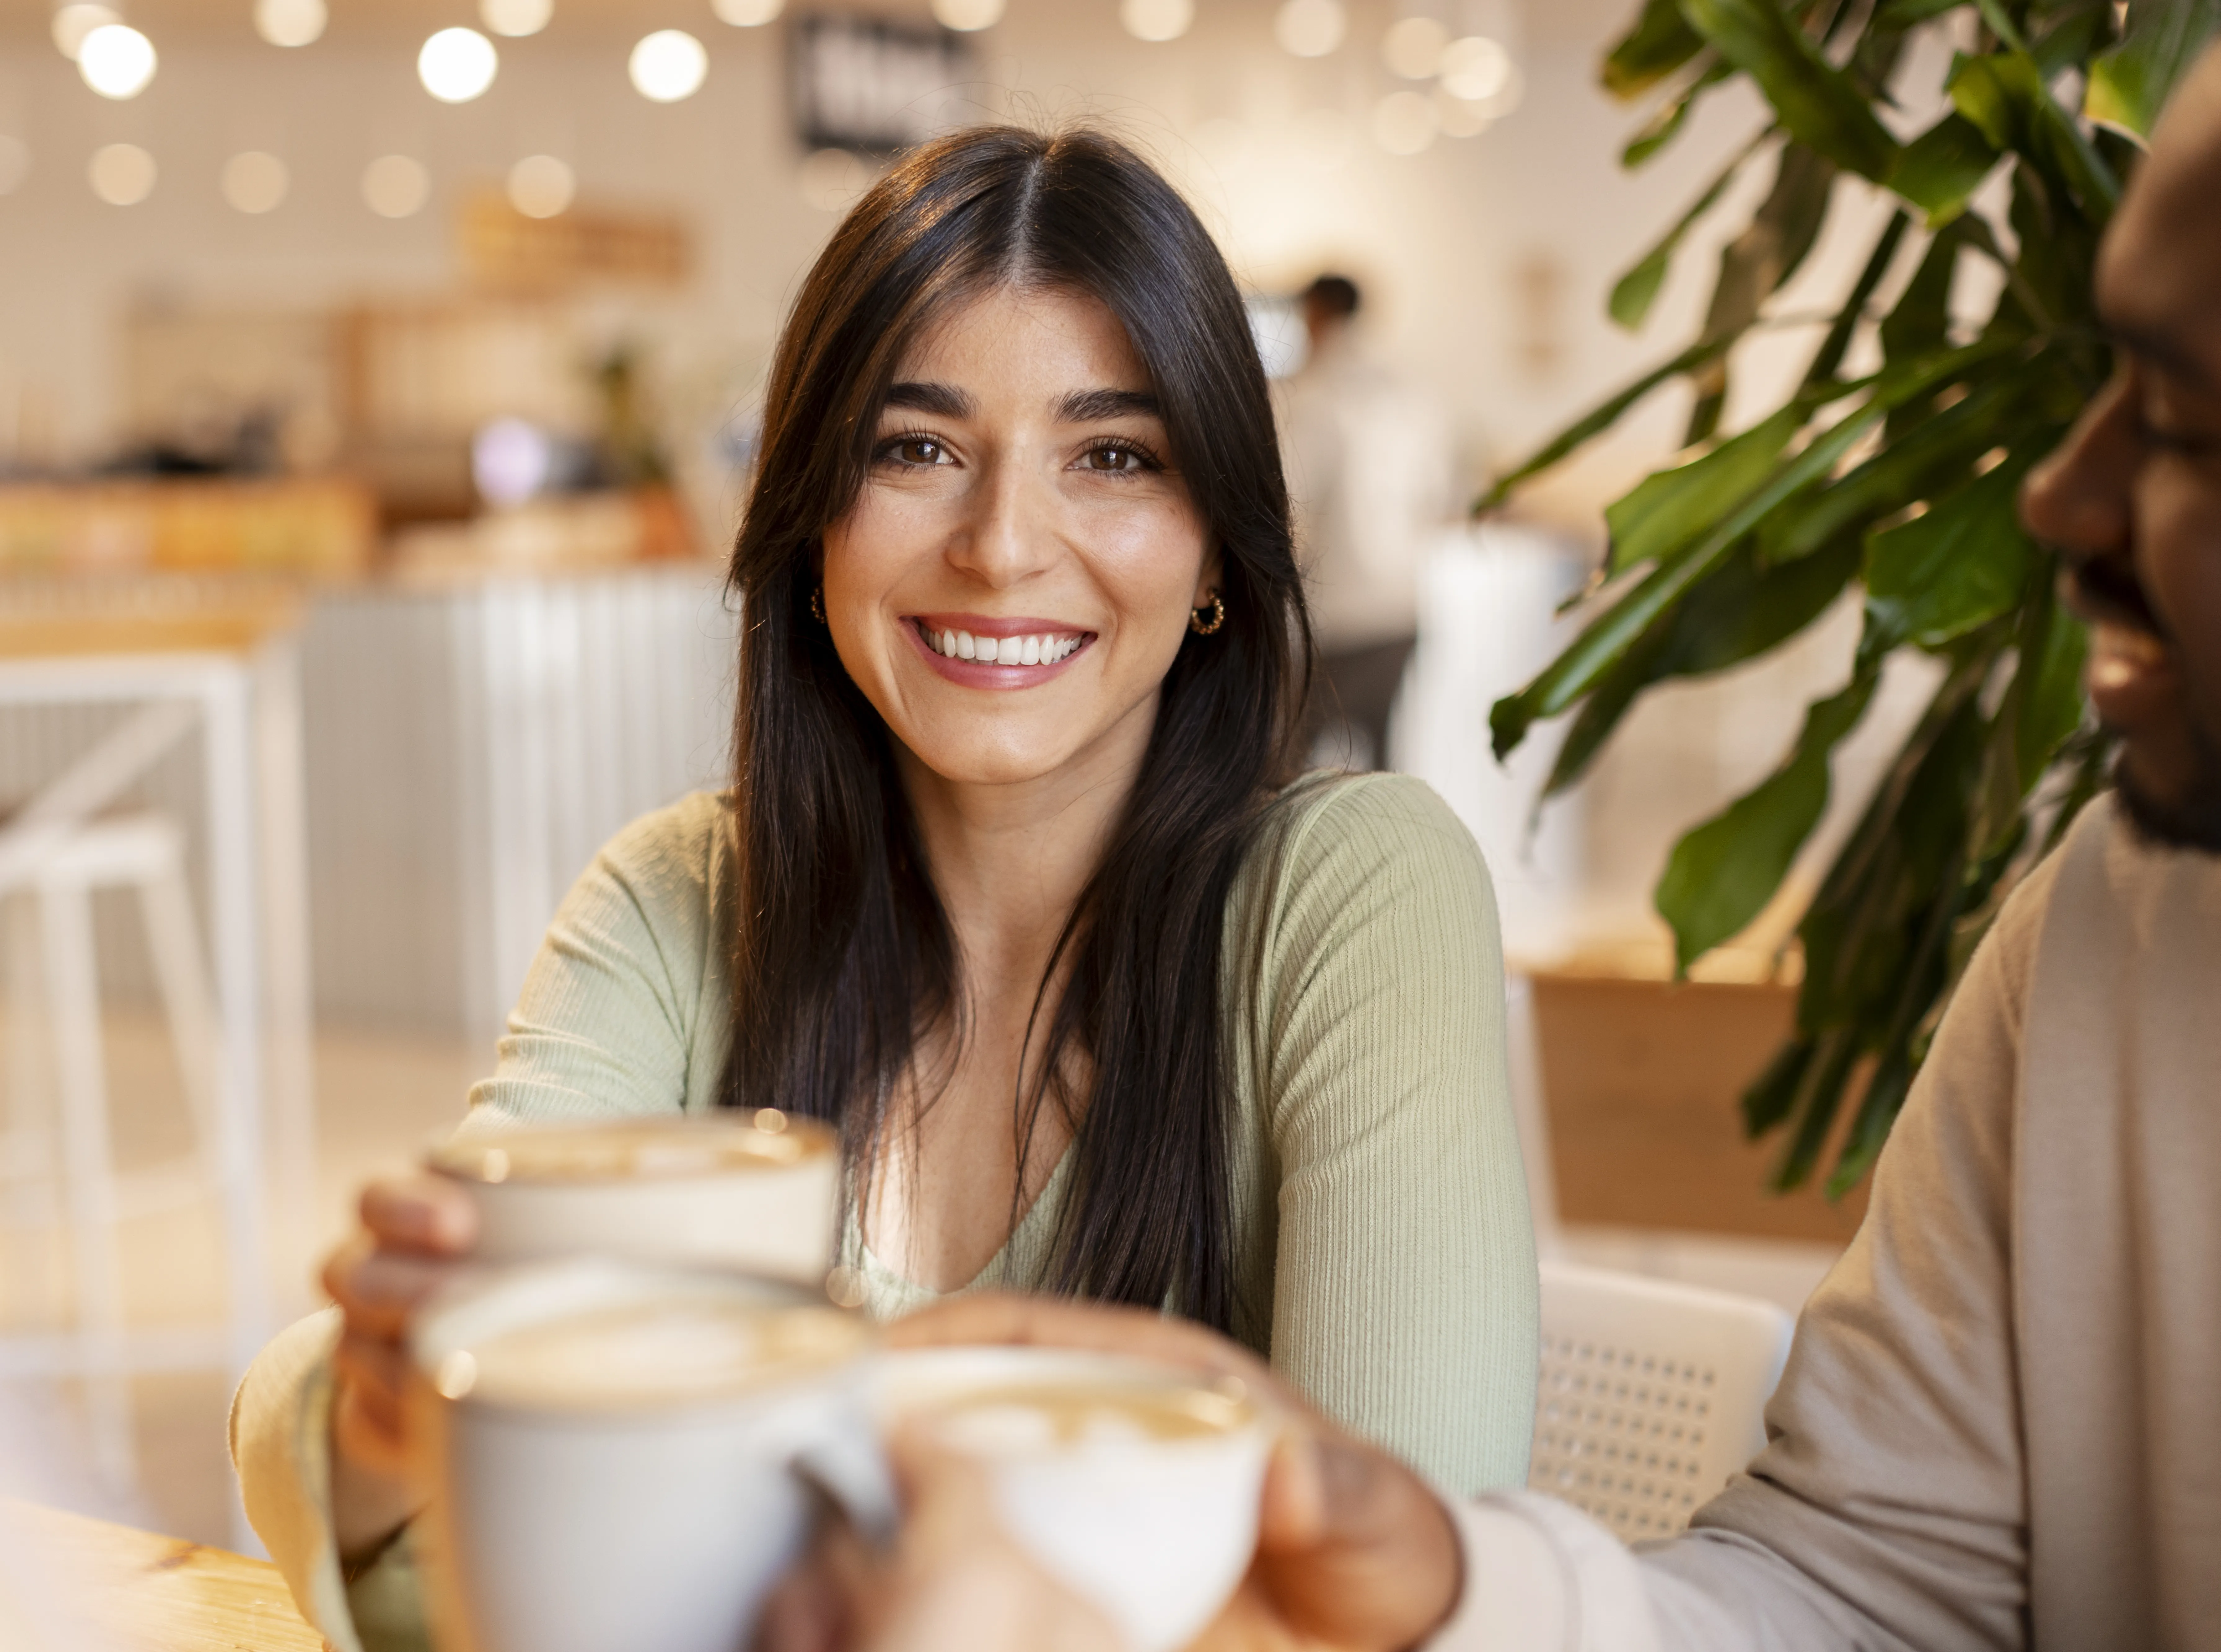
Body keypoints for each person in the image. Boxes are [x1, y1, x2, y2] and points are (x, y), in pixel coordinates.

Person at [782, 44, 2221, 1652]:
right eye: (915, 447)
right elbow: (1880, 1581)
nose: (2059, 498)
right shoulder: (2108, 932)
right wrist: (1468, 1597)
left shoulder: (1348, 882)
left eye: (2184, 420)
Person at [230, 125, 1538, 1652]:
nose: (998, 545)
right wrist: (394, 1399)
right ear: (811, 526)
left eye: (1113, 455)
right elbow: (333, 1449)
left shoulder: (1349, 896)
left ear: (1214, 559)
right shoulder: (680, 900)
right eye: (913, 448)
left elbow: (1401, 1586)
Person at [1277, 273, 1463, 770]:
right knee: (1385, 760)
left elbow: (1289, 505)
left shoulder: (1311, 396)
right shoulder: (1415, 395)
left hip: (1337, 615)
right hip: (1401, 608)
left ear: (1316, 314)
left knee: (1292, 766)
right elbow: (1439, 495)